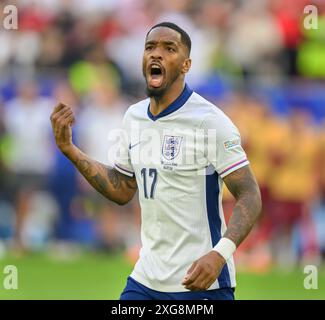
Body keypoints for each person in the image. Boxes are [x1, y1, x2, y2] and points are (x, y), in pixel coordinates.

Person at [50, 22, 262, 300]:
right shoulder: (133, 117)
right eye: (150, 47)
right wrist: (70, 150)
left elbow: (250, 195)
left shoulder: (210, 122)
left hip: (199, 283)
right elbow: (122, 189)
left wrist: (219, 254)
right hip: (145, 279)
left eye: (169, 48)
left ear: (186, 65)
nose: (156, 54)